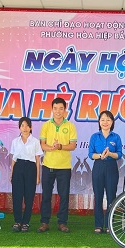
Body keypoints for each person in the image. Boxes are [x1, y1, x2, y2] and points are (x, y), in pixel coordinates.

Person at [37, 97, 78, 233]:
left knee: (64, 195)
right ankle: (44, 222)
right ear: (52, 109)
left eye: (61, 108)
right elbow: (42, 144)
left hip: (64, 167)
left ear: (65, 110)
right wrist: (50, 148)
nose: (58, 111)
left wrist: (60, 146)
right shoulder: (46, 125)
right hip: (48, 165)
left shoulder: (70, 126)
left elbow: (72, 146)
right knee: (46, 195)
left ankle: (62, 222)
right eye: (55, 108)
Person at [88, 110, 123, 234]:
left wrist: (110, 154)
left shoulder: (116, 137)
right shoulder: (94, 137)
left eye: (108, 119)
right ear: (99, 122)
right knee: (98, 196)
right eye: (102, 119)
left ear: (112, 122)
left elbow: (119, 154)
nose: (105, 122)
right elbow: (90, 154)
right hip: (98, 167)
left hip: (111, 167)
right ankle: (98, 225)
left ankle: (109, 225)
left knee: (111, 197)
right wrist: (100, 156)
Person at [10, 117, 43, 232]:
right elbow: (13, 159)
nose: (25, 128)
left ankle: (26, 222)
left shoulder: (35, 141)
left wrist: (38, 176)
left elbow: (37, 159)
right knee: (17, 195)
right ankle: (17, 221)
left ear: (31, 127)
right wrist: (11, 173)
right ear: (19, 127)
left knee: (29, 196)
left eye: (27, 125)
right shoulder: (15, 141)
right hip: (18, 167)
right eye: (22, 125)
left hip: (30, 168)